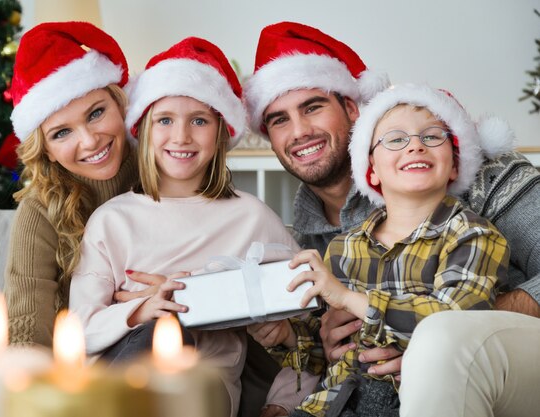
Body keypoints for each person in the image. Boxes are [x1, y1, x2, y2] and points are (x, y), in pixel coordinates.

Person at [243, 21, 540, 417]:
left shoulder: (480, 175)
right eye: (279, 119)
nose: (299, 131)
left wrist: (433, 343)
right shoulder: (321, 244)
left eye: (313, 107)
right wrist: (311, 341)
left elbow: (443, 326)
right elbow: (321, 354)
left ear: (351, 107)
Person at [68, 37, 301, 417]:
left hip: (203, 390)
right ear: (143, 130)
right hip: (120, 379)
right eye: (165, 120)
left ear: (221, 132)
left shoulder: (252, 218)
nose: (181, 137)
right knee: (157, 333)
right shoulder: (112, 220)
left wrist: (282, 345)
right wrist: (143, 310)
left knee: (176, 338)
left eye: (199, 120)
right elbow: (80, 328)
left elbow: (308, 326)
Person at [282, 83, 511, 417]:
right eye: (395, 139)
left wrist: (351, 299)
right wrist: (280, 336)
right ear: (371, 169)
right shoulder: (343, 248)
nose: (415, 146)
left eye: (432, 137)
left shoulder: (473, 235)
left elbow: (456, 323)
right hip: (330, 404)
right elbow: (322, 352)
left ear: (455, 165)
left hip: (412, 400)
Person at [3, 21, 139, 347]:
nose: (90, 141)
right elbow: (26, 324)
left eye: (96, 113)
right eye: (62, 133)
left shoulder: (164, 171)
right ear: (45, 150)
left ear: (120, 105)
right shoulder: (39, 210)